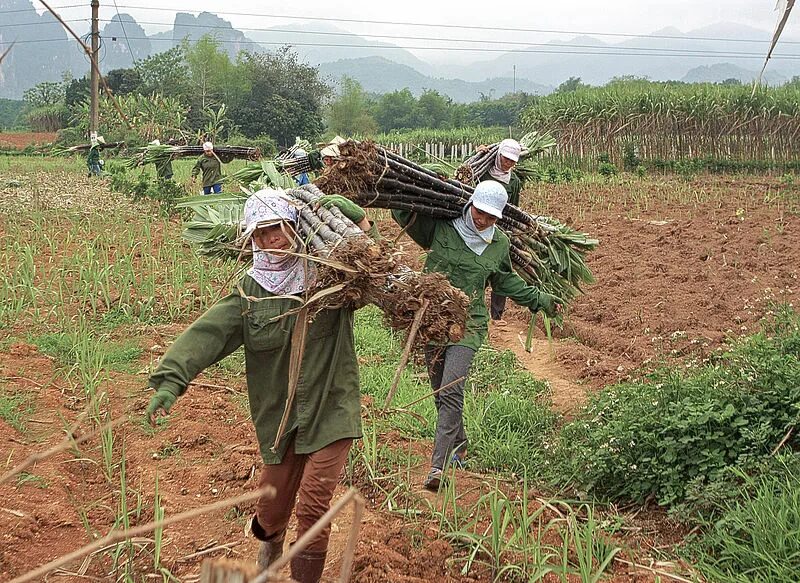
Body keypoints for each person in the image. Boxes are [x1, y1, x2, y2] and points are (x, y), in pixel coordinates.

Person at [145, 188, 371, 583]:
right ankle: (270, 543)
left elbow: (375, 267)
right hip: (278, 416)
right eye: (262, 233)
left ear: (294, 226)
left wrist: (360, 219)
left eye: (278, 228)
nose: (273, 239)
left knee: (314, 505)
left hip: (331, 407)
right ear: (252, 239)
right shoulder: (249, 293)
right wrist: (171, 381)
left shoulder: (332, 275)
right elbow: (207, 335)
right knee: (271, 506)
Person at [391, 180, 562, 491]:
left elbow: (504, 282)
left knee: (452, 388)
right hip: (432, 319)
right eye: (480, 213)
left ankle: (438, 466)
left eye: (491, 217)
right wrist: (411, 186)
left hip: (468, 324)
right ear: (471, 205)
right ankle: (460, 445)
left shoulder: (498, 245)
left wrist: (541, 300)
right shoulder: (443, 226)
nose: (483, 221)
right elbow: (403, 213)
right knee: (439, 391)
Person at [477, 139, 523, 323]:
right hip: (477, 225)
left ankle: (497, 316)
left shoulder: (514, 181)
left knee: (500, 270)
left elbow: (514, 208)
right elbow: (462, 176)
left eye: (512, 161)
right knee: (477, 267)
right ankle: (474, 311)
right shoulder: (483, 172)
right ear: (498, 155)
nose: (508, 163)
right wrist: (476, 154)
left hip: (500, 228)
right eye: (505, 159)